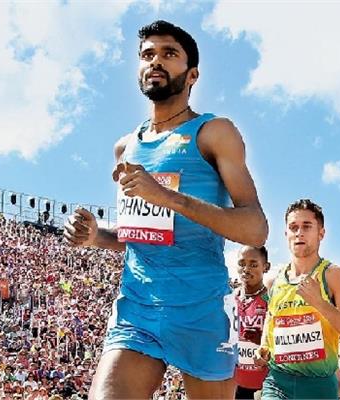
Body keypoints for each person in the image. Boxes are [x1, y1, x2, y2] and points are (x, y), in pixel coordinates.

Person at [63, 20, 268, 399]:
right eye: (147, 55)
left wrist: (169, 198)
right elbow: (139, 233)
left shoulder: (214, 132)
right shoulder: (126, 147)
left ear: (192, 75)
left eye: (169, 53)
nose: (155, 61)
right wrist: (95, 236)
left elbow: (256, 228)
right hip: (137, 308)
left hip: (201, 308)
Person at [254, 199, 340, 399]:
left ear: (321, 233)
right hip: (278, 382)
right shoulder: (273, 280)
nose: (299, 233)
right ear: (286, 234)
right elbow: (271, 321)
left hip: (319, 386)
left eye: (307, 226)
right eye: (293, 227)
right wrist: (263, 348)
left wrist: (320, 304)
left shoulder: (334, 275)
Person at [235, 246, 270, 399]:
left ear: (266, 267)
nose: (246, 269)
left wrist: (262, 341)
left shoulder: (272, 299)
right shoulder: (229, 298)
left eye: (253, 264)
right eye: (242, 264)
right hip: (234, 382)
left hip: (265, 384)